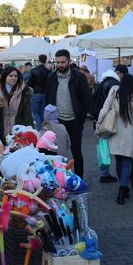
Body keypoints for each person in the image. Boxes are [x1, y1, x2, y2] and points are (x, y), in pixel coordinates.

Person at [96, 74, 133, 204]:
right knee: (126, 163)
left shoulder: (114, 92)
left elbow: (104, 109)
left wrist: (98, 124)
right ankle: (122, 189)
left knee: (118, 161)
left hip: (115, 133)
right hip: (129, 135)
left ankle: (122, 187)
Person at [45, 49, 91, 177]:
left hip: (74, 121)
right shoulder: (51, 77)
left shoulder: (79, 77)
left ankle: (79, 179)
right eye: (58, 62)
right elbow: (48, 98)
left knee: (76, 152)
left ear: (69, 61)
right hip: (57, 121)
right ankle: (57, 179)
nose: (60, 65)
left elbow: (86, 99)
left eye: (63, 62)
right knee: (56, 152)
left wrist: (81, 118)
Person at [90, 67, 122, 183]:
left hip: (101, 117)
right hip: (110, 119)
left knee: (103, 146)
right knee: (115, 147)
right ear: (119, 73)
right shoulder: (115, 85)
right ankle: (106, 174)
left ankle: (104, 173)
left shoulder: (104, 81)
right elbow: (110, 104)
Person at [0, 66, 34, 141]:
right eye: (11, 76)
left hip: (18, 129)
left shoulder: (24, 91)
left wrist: (30, 130)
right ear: (5, 76)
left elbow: (27, 113)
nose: (14, 78)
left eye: (16, 76)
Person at [28, 54, 50, 130]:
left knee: (35, 112)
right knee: (41, 112)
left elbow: (29, 83)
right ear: (45, 60)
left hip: (36, 93)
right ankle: (42, 128)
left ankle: (40, 129)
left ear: (38, 60)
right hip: (44, 93)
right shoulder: (48, 71)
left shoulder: (33, 70)